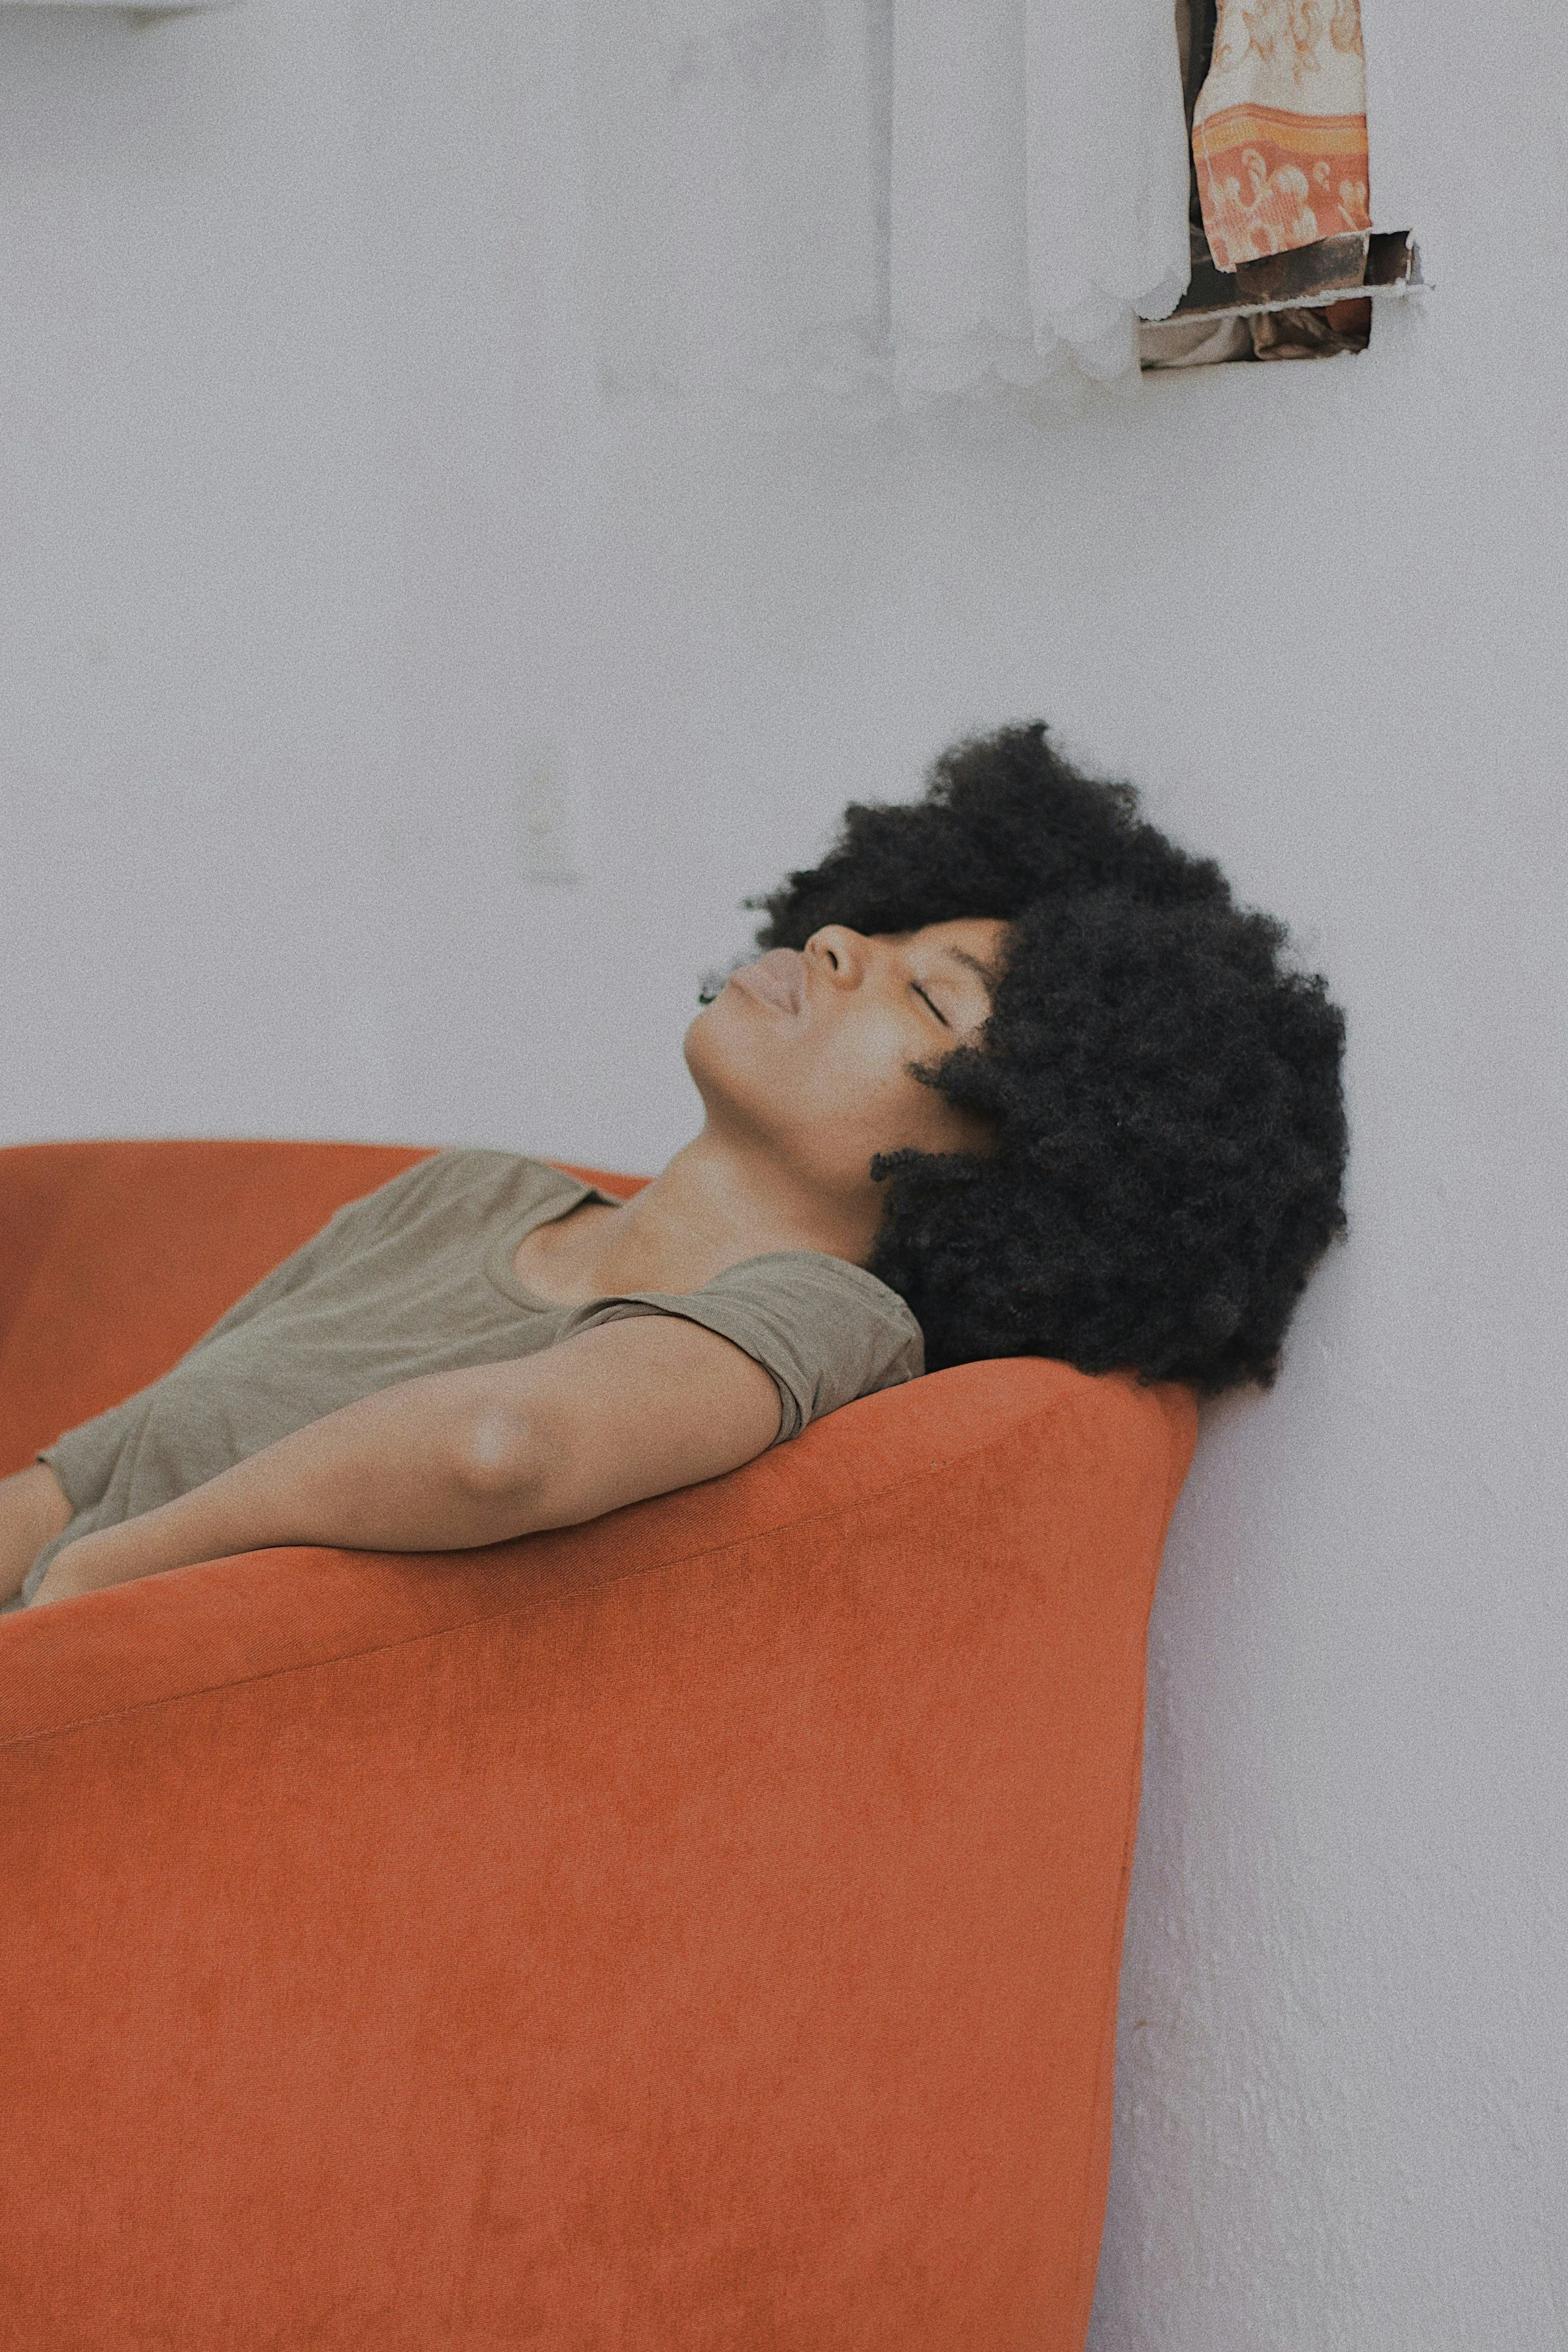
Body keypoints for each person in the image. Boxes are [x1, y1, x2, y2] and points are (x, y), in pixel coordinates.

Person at [1, 723, 1348, 1614]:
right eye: (869, 929)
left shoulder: (825, 1319)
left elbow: (497, 1446)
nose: (833, 945)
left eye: (928, 997)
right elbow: (80, 1477)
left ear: (1005, 1179)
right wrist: (70, 1557)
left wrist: (105, 1581)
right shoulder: (459, 1194)